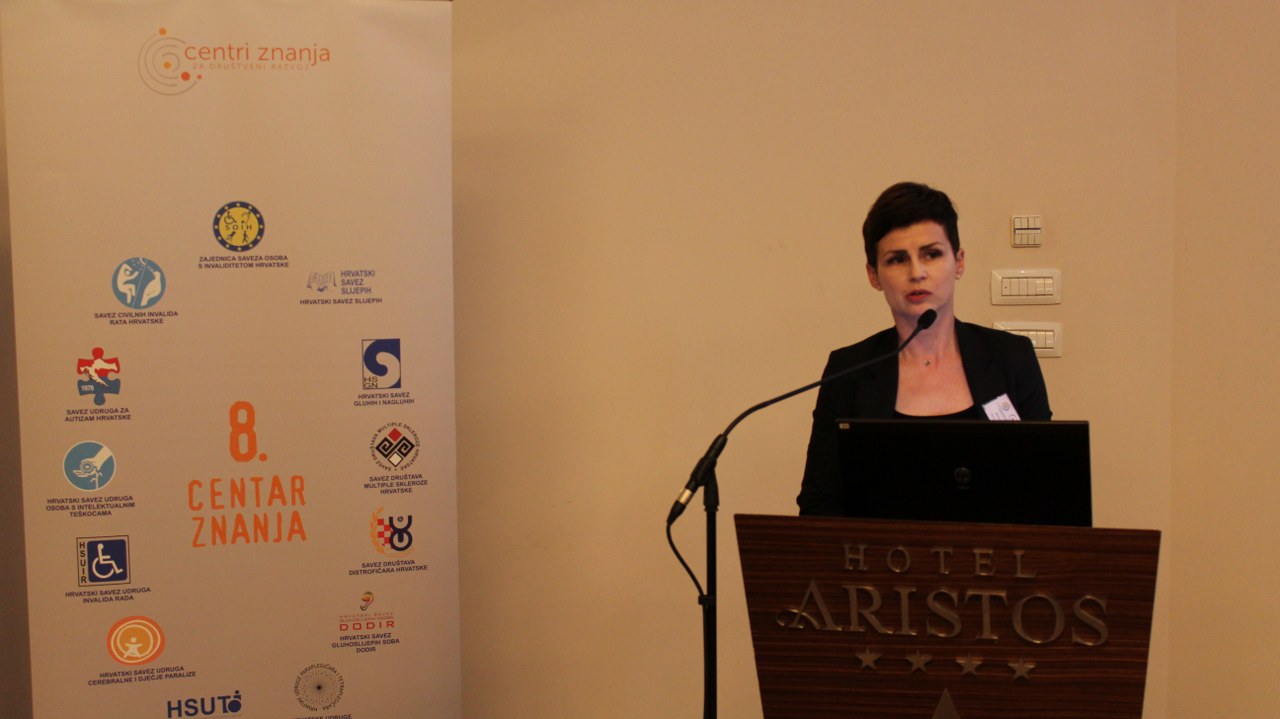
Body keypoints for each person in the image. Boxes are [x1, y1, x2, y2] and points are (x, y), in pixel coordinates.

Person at [797, 182, 1052, 516]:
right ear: (874, 275)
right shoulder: (849, 370)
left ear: (959, 262)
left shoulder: (1011, 358)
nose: (916, 273)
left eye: (932, 254)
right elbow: (820, 505)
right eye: (897, 259)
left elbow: (1049, 492)